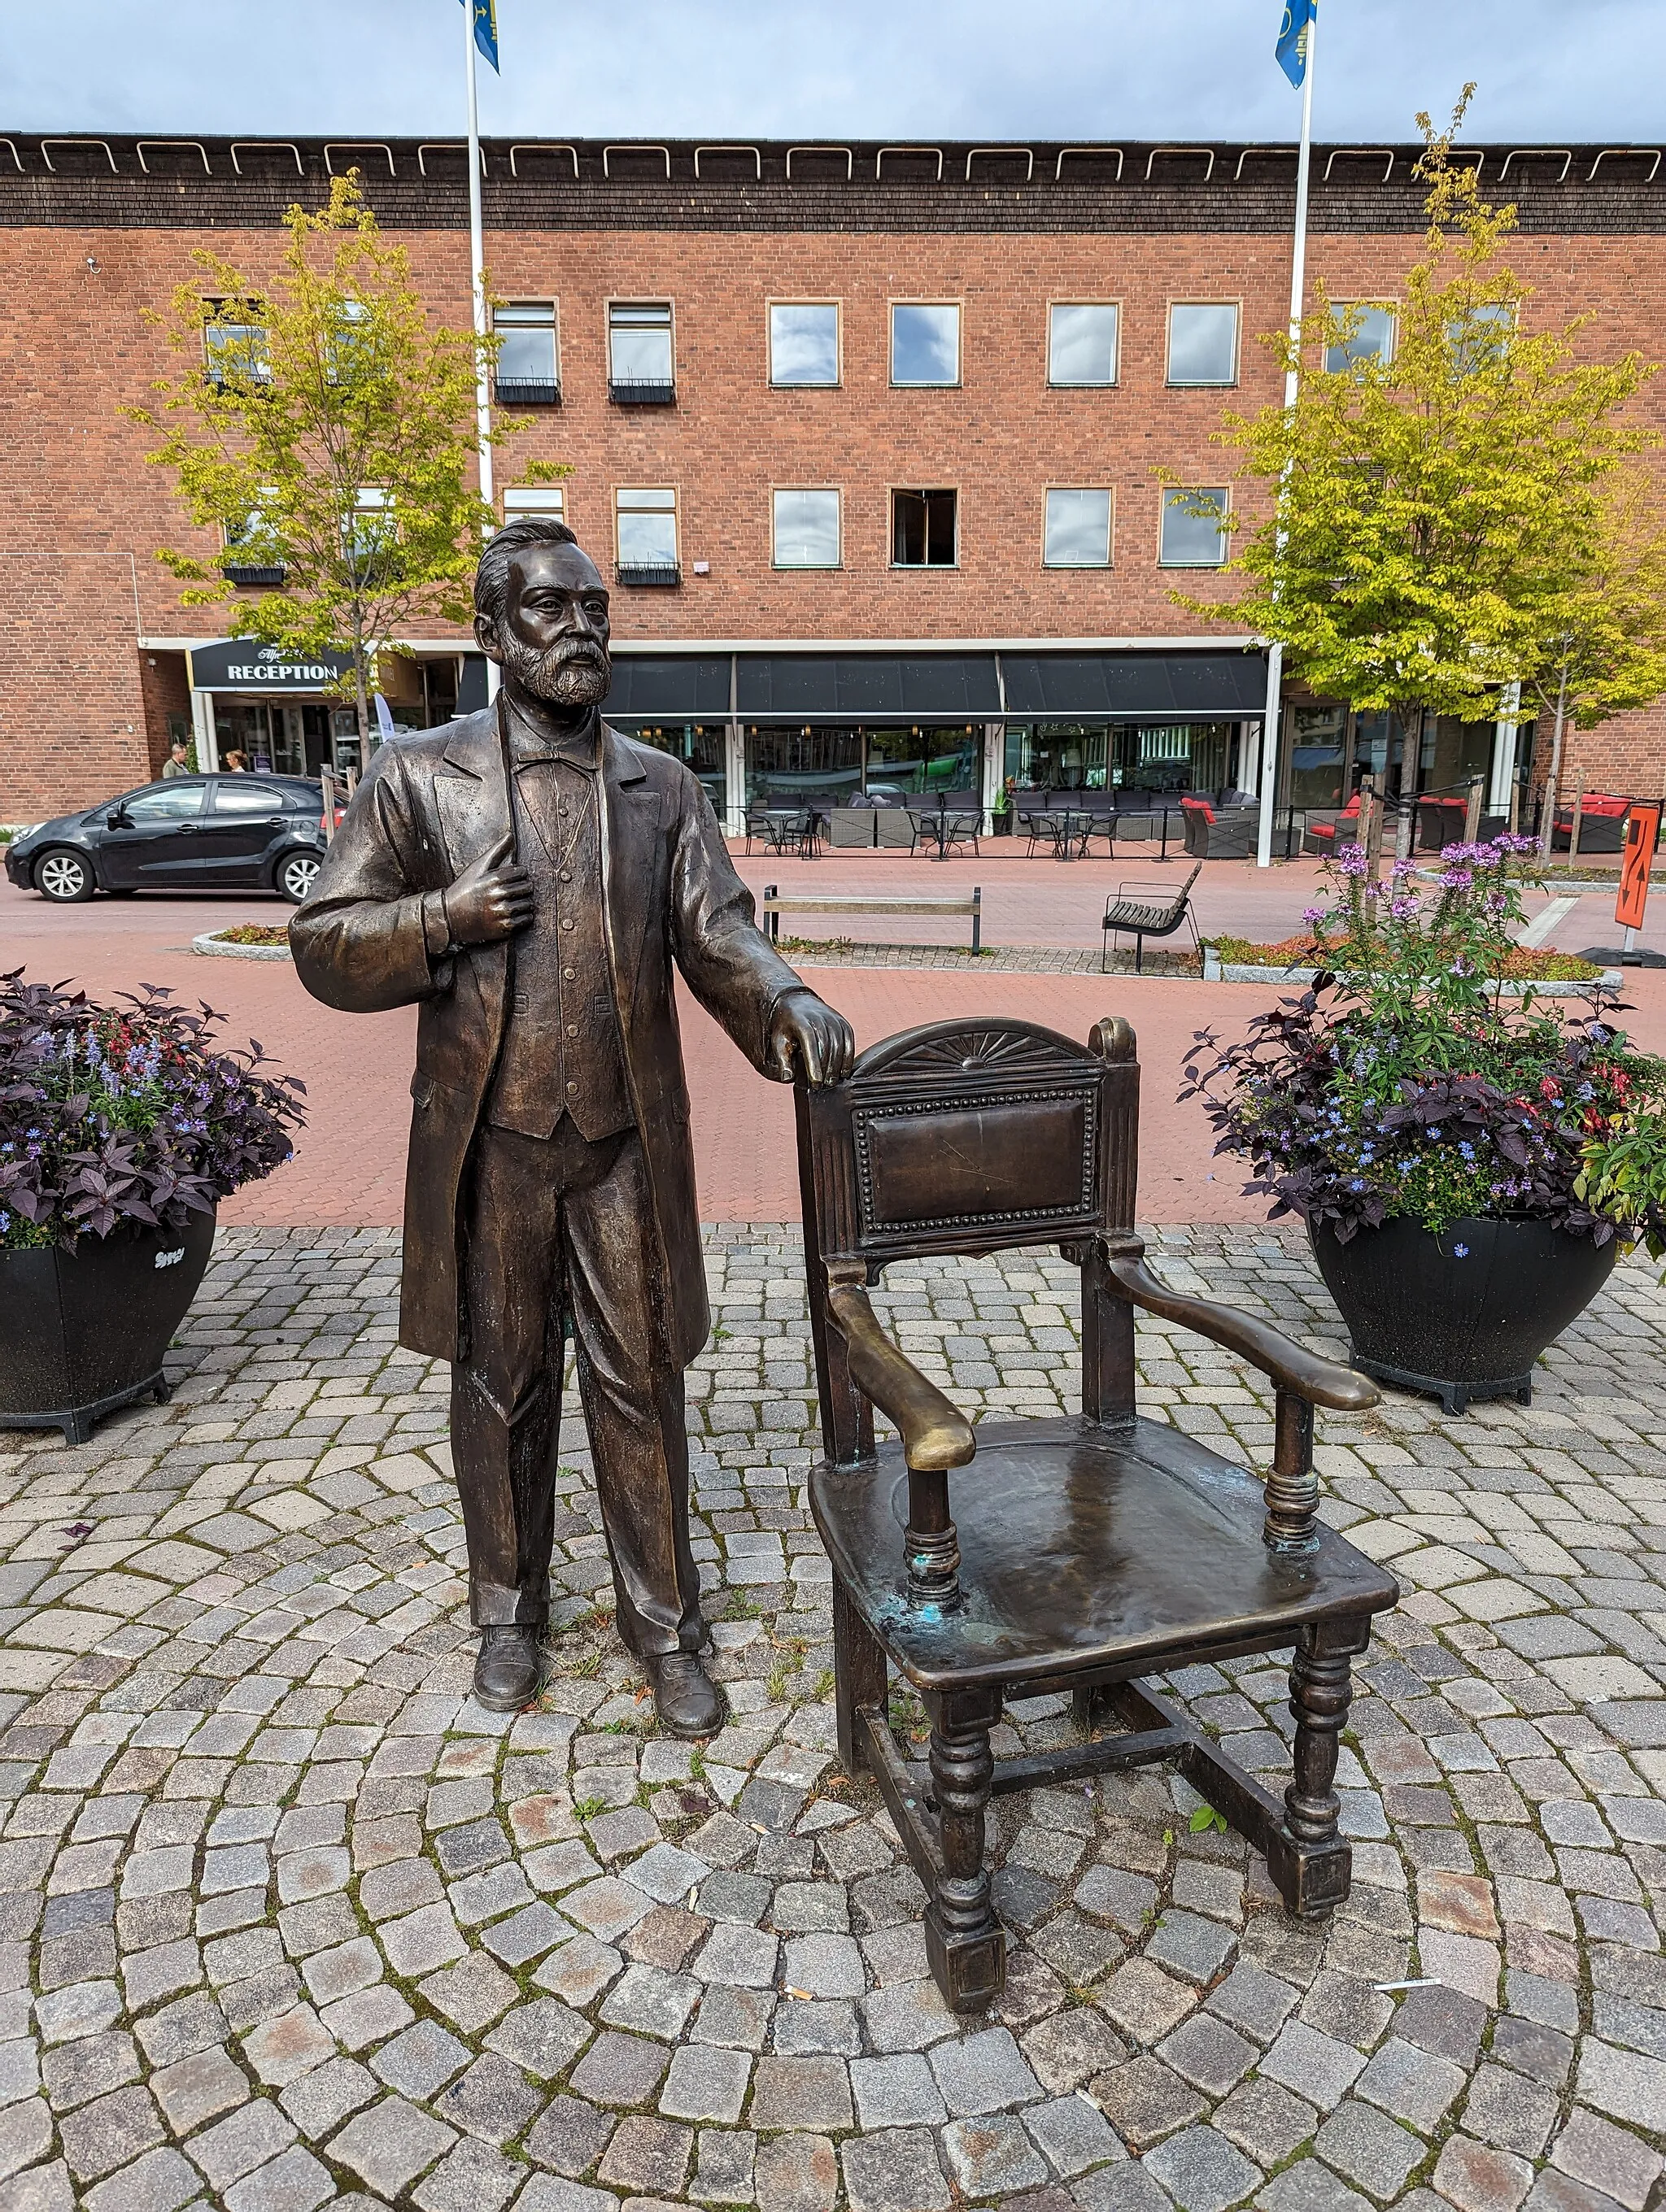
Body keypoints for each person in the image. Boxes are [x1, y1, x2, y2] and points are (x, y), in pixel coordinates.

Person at [290, 520, 856, 1731]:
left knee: (640, 1383)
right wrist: (440, 918)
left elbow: (718, 935)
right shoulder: (417, 778)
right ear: (492, 635)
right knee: (499, 1383)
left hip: (623, 1145)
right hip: (490, 1141)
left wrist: (790, 1000)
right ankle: (510, 1611)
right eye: (550, 610)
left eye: (595, 607)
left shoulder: (661, 787)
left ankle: (666, 1626)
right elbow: (324, 945)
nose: (583, 629)